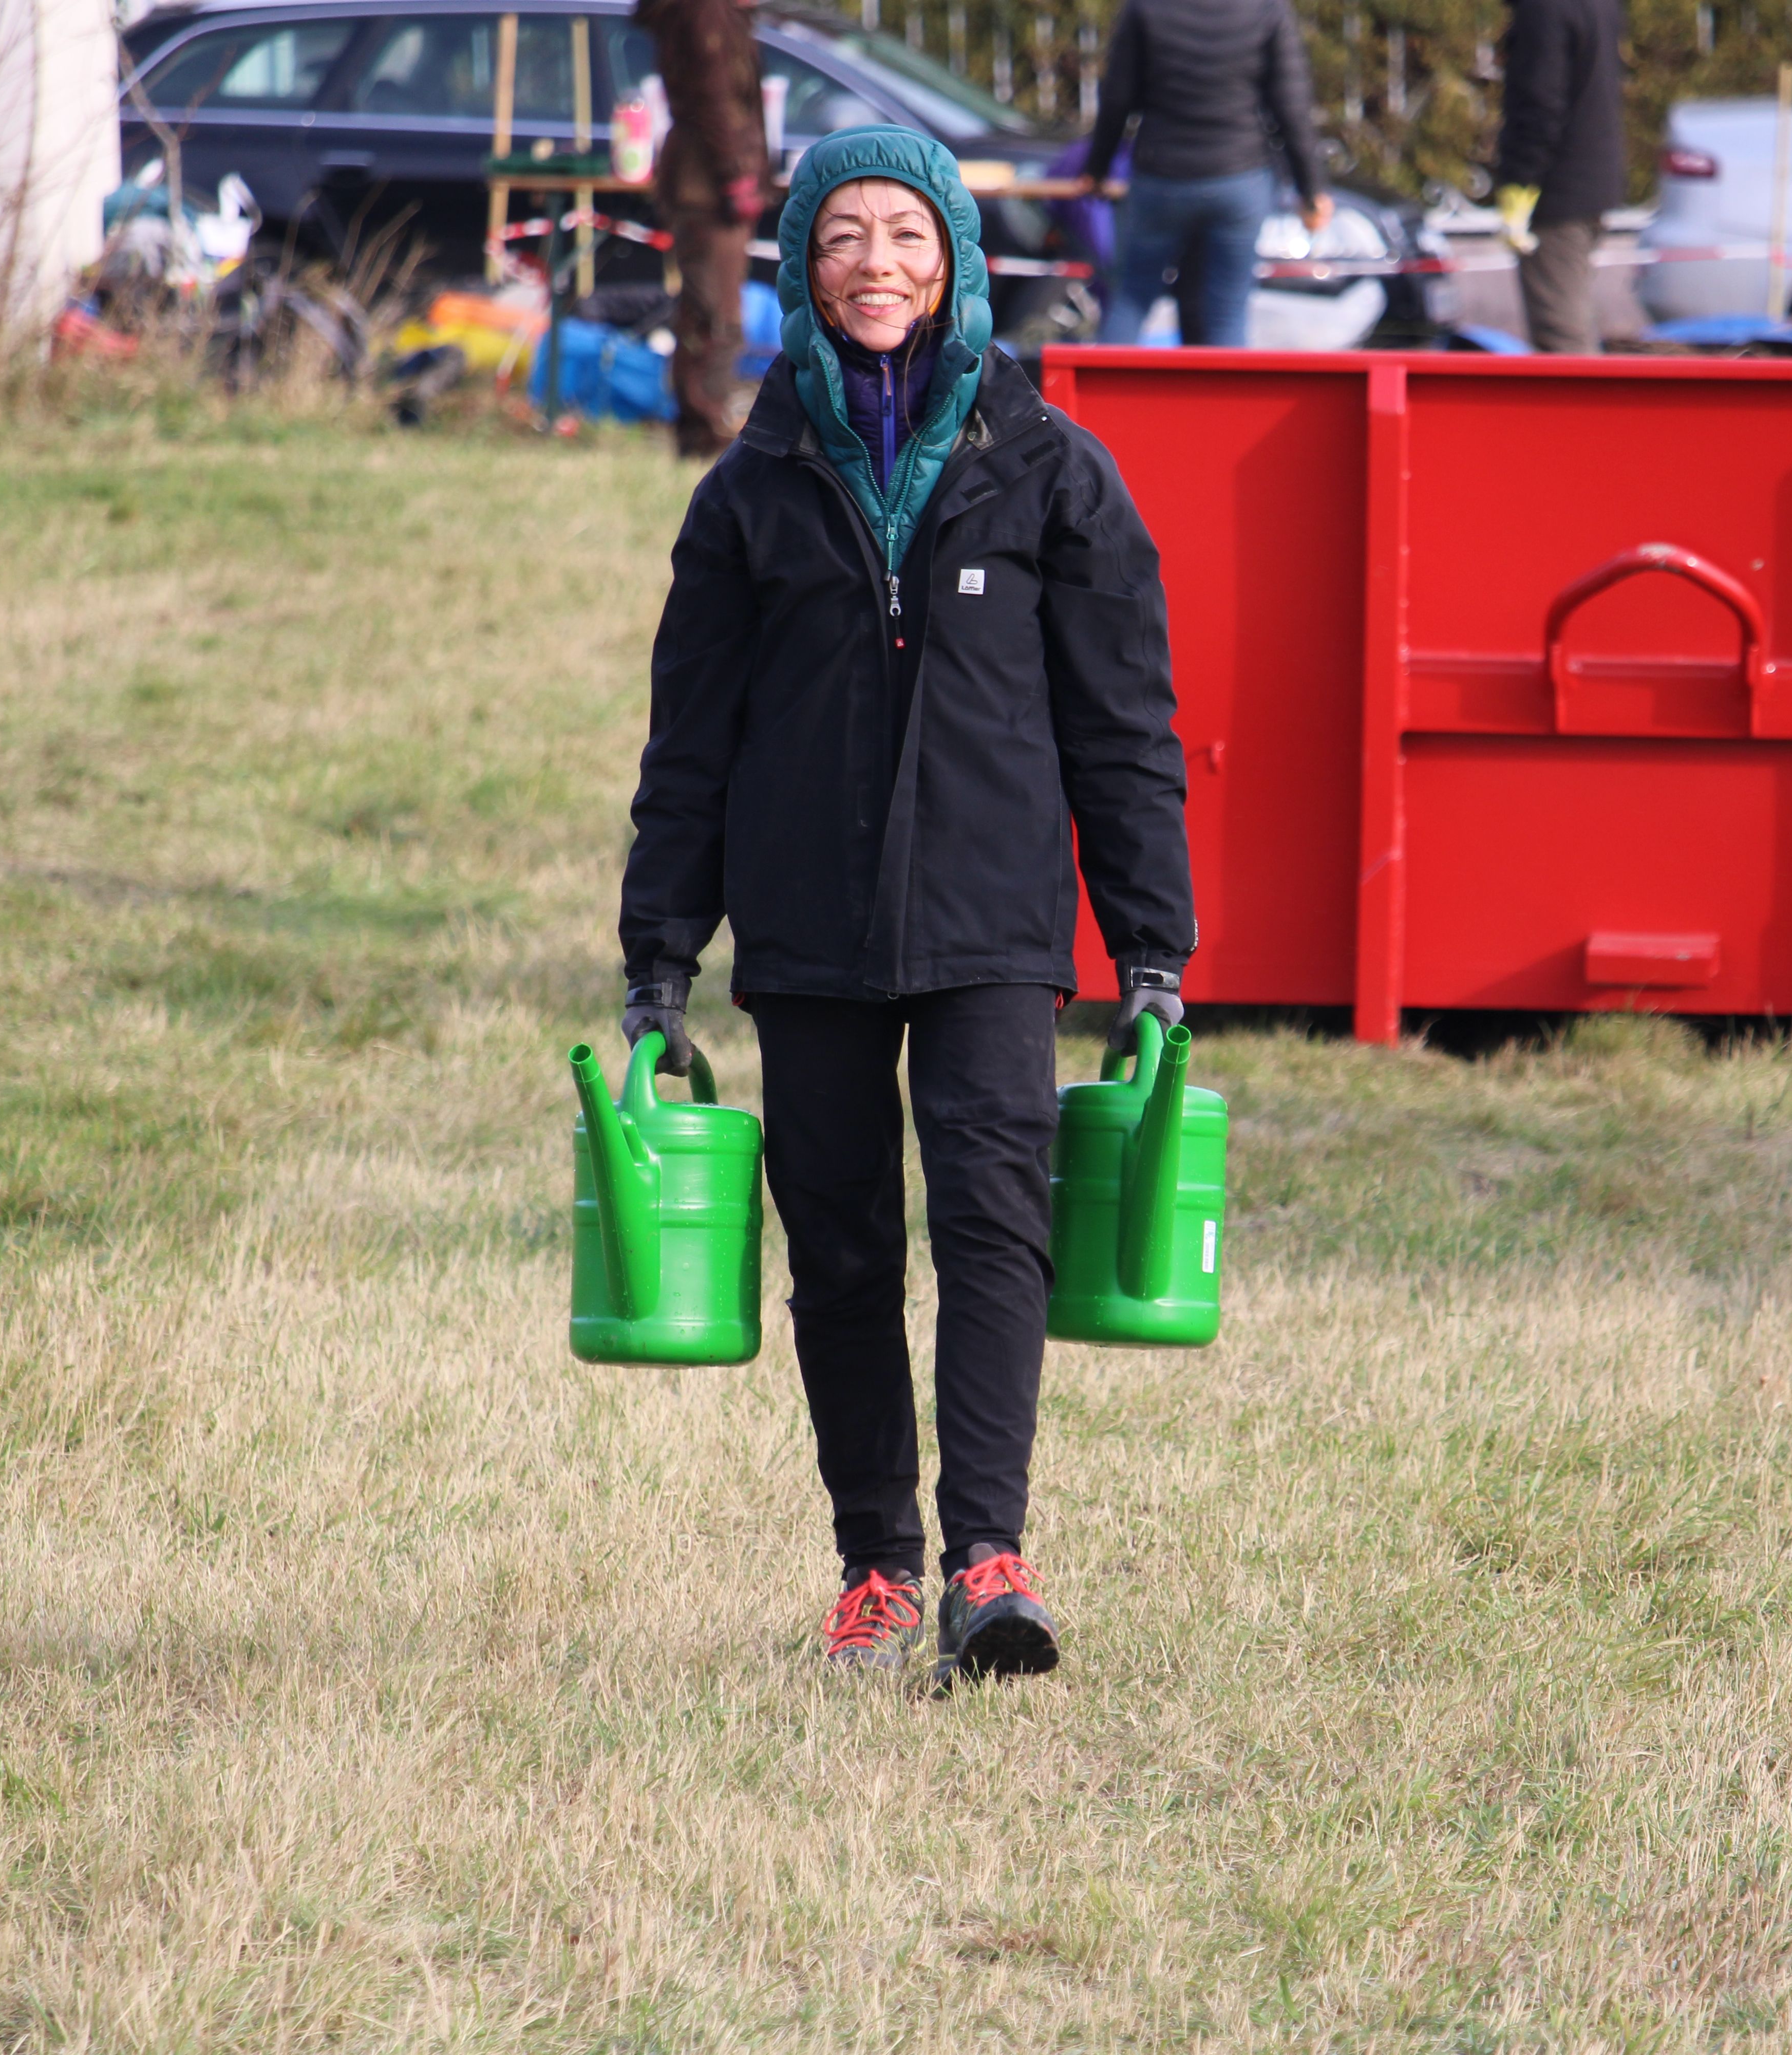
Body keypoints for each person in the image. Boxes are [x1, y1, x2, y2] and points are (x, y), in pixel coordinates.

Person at [617, 126, 1196, 1684]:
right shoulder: (750, 489)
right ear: (804, 266)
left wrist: (1151, 946)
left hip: (992, 922)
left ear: (955, 260)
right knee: (848, 1249)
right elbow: (690, 745)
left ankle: (989, 1561)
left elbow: (1124, 726)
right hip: (804, 931)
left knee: (996, 1229)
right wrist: (658, 956)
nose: (878, 265)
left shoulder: (1049, 468)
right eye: (845, 238)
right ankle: (874, 1568)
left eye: (908, 236)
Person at [1082, 0, 1333, 347]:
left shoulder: (1146, 8)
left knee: (1133, 297)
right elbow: (1291, 106)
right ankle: (1227, 402)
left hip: (1161, 177)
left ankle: (1098, 399)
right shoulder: (1266, 9)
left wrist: (1097, 169)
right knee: (1226, 311)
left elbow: (1117, 97)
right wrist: (1312, 190)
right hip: (1240, 178)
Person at [638, 0, 769, 456]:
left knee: (710, 313)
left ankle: (703, 426)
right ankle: (704, 431)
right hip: (706, 184)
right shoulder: (706, 11)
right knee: (716, 317)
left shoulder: (709, 11)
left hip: (703, 179)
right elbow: (714, 99)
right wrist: (735, 173)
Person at [1490, 0, 1626, 356]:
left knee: (1562, 340)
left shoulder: (1544, 9)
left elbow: (1539, 102)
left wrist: (1520, 184)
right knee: (1573, 324)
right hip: (1590, 181)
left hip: (1557, 192)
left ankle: (1590, 414)